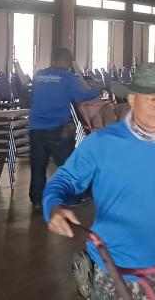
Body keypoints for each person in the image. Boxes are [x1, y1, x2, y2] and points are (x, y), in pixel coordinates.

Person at [44, 63, 155, 299]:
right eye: (152, 99)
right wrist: (53, 207)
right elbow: (63, 180)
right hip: (113, 270)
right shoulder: (102, 143)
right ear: (132, 100)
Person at [29, 47, 101, 210]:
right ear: (69, 62)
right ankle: (73, 198)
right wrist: (97, 90)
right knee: (68, 164)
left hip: (36, 126)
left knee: (38, 164)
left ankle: (37, 200)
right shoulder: (68, 77)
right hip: (57, 127)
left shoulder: (38, 75)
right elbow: (80, 96)